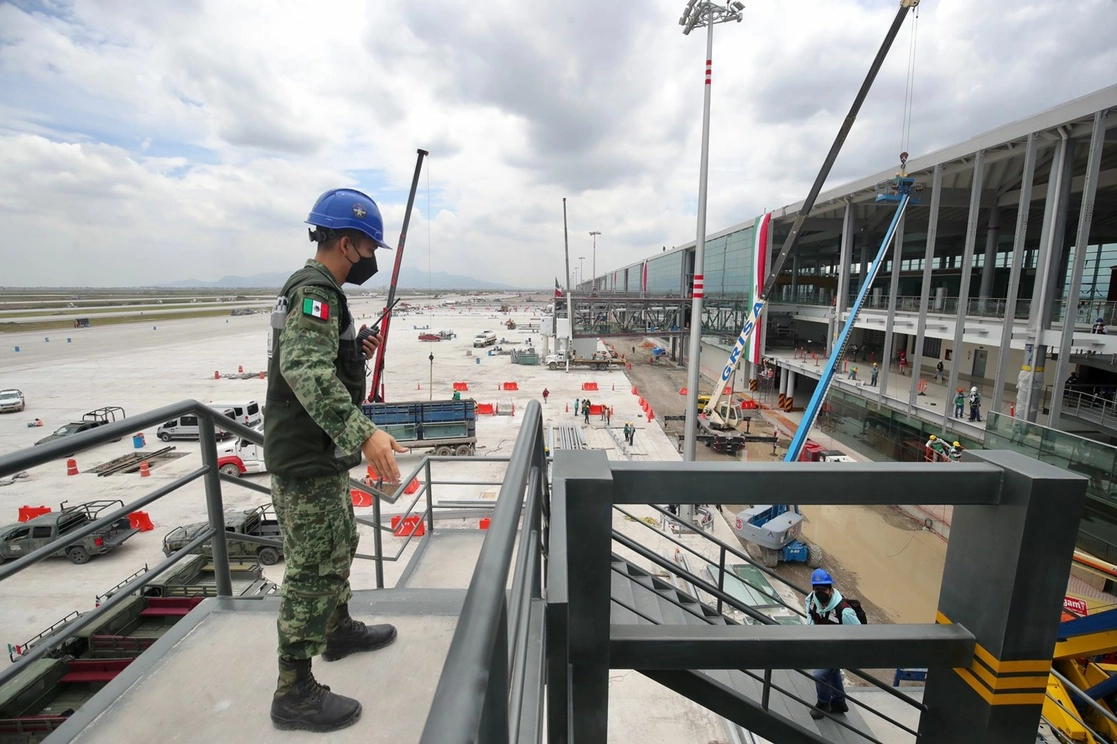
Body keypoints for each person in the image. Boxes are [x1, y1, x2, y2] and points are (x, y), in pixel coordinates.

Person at [265, 187, 409, 732]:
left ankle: (336, 629)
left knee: (338, 543)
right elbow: (305, 372)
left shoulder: (323, 293)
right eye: (370, 248)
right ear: (348, 245)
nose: (372, 260)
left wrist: (355, 349)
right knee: (310, 569)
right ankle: (294, 691)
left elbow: (319, 357)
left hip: (316, 453)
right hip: (306, 456)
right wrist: (363, 433)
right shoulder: (314, 292)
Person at [805, 568, 860, 719]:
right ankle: (839, 702)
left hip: (839, 648)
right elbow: (809, 615)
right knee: (833, 671)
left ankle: (823, 703)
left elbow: (859, 633)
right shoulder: (811, 600)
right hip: (823, 645)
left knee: (820, 674)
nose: (819, 593)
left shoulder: (844, 611)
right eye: (817, 589)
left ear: (830, 590)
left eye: (823, 589)